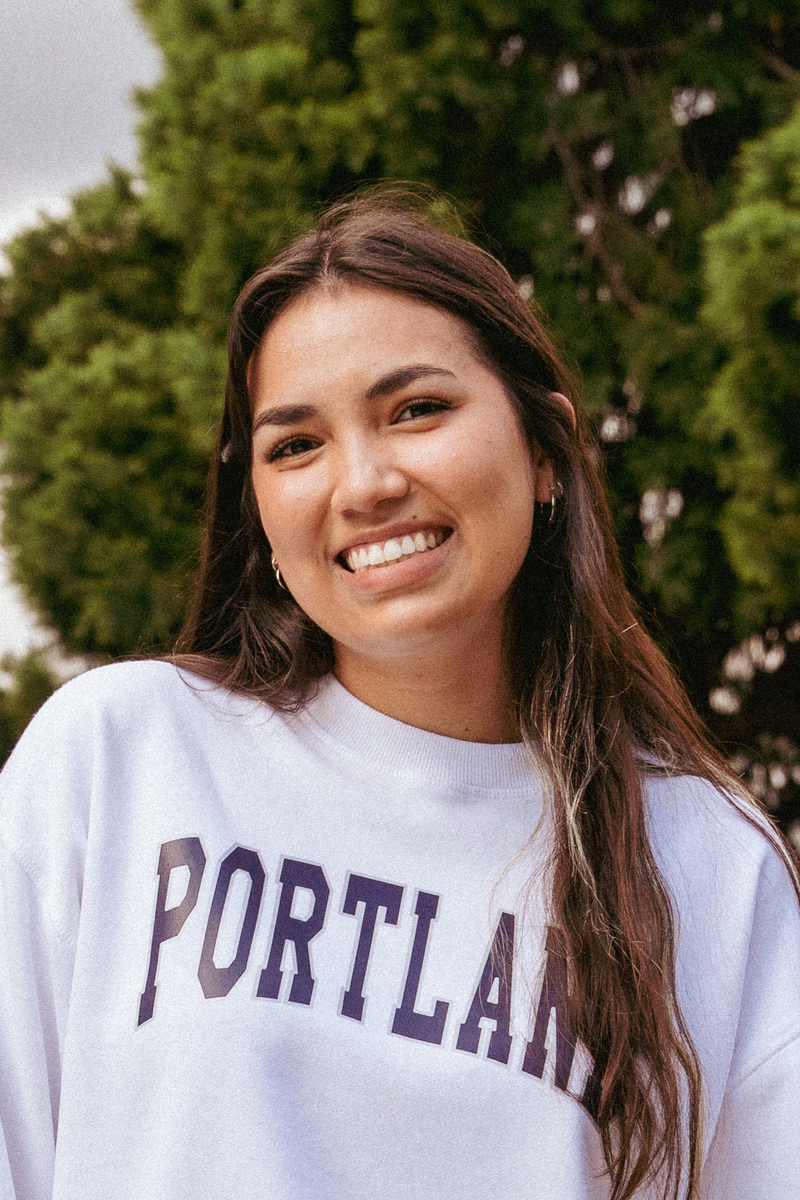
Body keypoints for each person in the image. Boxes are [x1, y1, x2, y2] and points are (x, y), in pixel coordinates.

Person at [0, 189, 798, 1200]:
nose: (363, 482)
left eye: (415, 409)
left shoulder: (706, 861)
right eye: (295, 445)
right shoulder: (122, 757)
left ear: (543, 450)